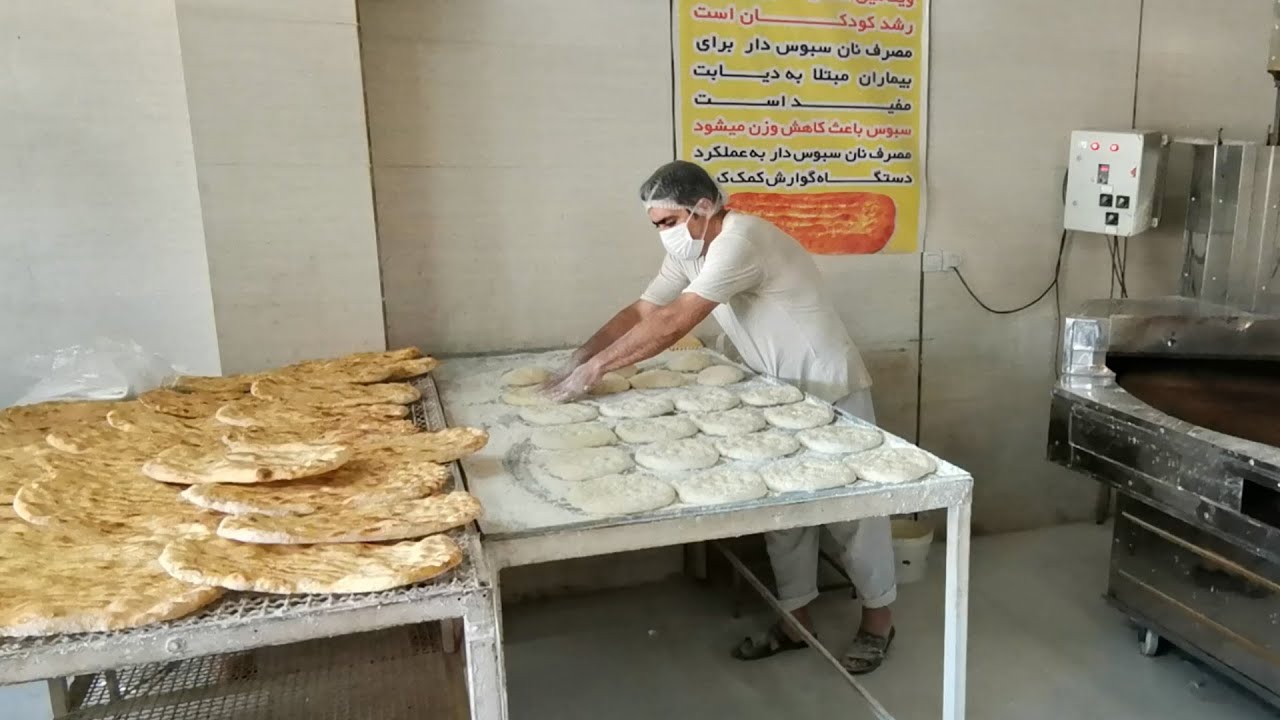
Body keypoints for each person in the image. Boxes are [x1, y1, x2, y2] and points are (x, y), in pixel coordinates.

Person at [545, 160, 897, 674]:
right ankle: (795, 623)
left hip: (827, 387)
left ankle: (878, 622)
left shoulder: (741, 239)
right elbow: (644, 310)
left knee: (855, 514)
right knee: (783, 511)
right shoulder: (691, 252)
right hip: (777, 394)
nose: (664, 234)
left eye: (669, 222)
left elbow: (675, 322)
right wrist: (580, 356)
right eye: (657, 225)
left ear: (703, 207)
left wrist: (595, 371)